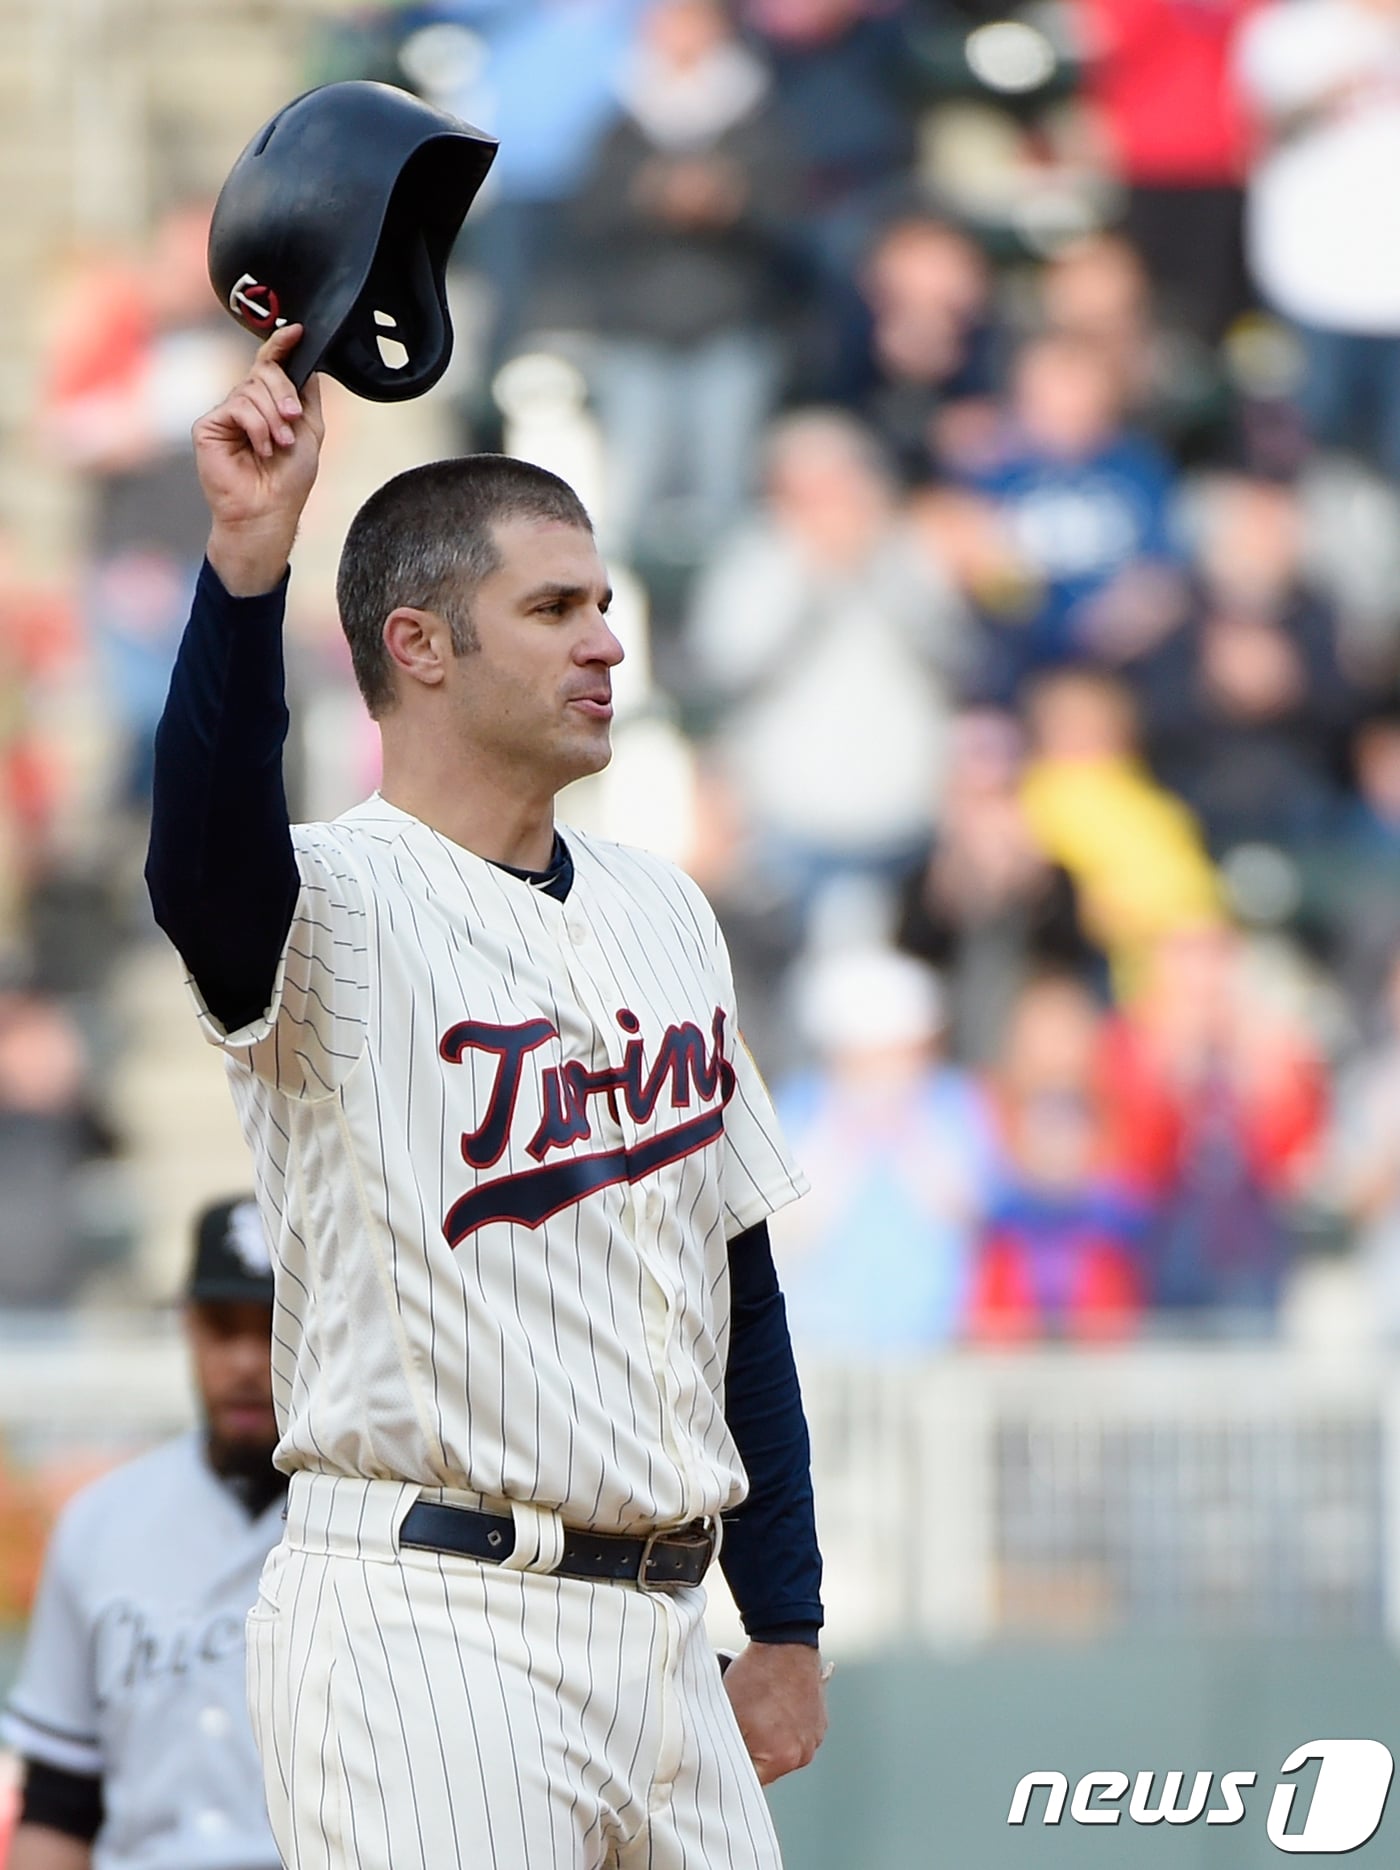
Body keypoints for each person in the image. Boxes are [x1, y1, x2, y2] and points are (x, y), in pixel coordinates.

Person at [143, 325, 827, 1870]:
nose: (606, 644)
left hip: (671, 1633)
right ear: (422, 646)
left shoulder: (666, 906)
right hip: (428, 1619)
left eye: (603, 604)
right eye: (554, 608)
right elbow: (198, 848)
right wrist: (247, 562)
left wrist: (784, 1614)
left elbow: (737, 1281)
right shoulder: (323, 901)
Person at [0, 1196, 284, 1870]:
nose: (247, 1361)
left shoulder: (376, 1528)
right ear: (188, 1326)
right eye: (223, 1327)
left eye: (274, 1328)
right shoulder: (101, 1521)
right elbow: (61, 1799)